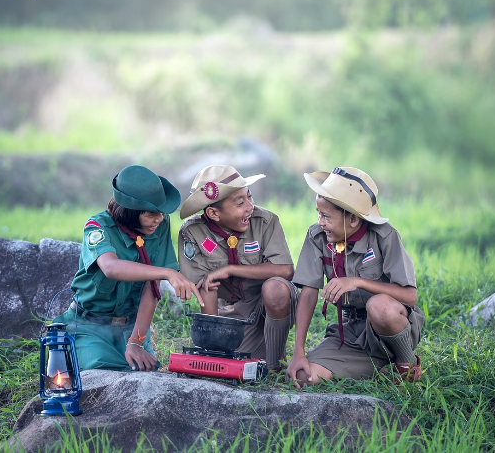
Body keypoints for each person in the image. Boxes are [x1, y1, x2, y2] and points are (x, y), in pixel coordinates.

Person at [53, 165, 202, 372]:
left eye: (161, 213)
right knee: (102, 370)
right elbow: (111, 268)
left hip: (131, 328)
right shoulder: (98, 226)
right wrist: (168, 272)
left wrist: (136, 342)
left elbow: (152, 289)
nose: (159, 219)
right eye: (151, 214)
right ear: (130, 212)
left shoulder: (158, 224)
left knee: (142, 373)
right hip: (90, 327)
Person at [286, 166, 424, 386]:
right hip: (352, 334)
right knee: (304, 378)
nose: (320, 222)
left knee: (379, 306)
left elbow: (410, 296)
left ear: (352, 219)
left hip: (391, 325)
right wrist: (298, 352)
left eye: (325, 216)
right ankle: (375, 367)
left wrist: (358, 282)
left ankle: (404, 365)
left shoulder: (385, 236)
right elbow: (309, 292)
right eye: (318, 214)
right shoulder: (317, 236)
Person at [177, 165, 298, 371]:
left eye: (250, 197)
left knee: (276, 290)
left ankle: (276, 361)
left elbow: (285, 270)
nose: (250, 206)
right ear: (214, 213)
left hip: (265, 303)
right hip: (231, 311)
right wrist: (211, 348)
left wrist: (230, 270)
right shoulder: (193, 232)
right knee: (230, 361)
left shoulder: (265, 221)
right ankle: (261, 348)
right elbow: (205, 287)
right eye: (240, 203)